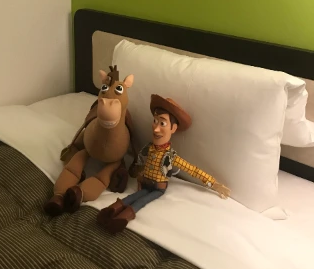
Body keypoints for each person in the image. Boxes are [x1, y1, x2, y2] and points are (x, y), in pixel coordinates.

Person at [97, 94, 230, 234]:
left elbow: (192, 170)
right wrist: (137, 175)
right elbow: (139, 163)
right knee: (132, 197)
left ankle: (122, 219)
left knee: (141, 201)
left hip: (158, 188)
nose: (155, 129)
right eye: (155, 121)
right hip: (145, 182)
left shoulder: (170, 156)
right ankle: (110, 210)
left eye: (162, 123)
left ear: (173, 128)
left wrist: (213, 183)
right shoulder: (148, 148)